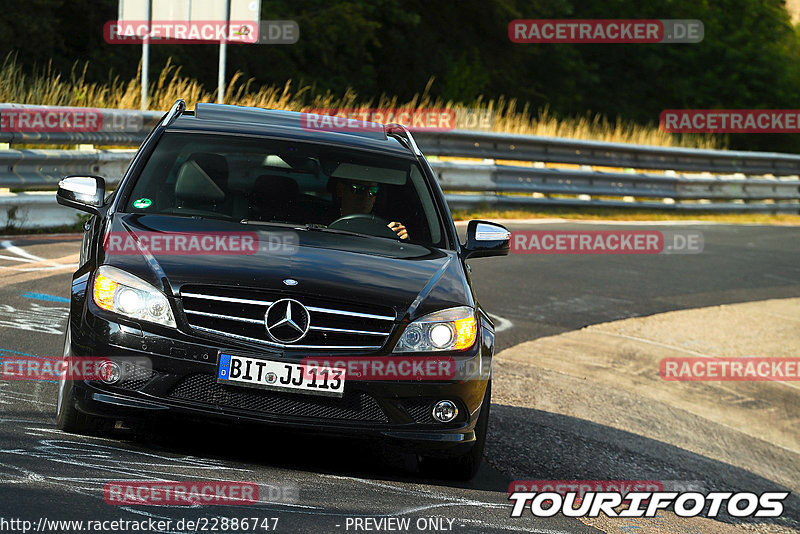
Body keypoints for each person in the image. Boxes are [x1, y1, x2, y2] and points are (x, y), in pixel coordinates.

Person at [328, 178, 409, 240]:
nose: (366, 197)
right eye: (358, 189)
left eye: (373, 191)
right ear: (340, 189)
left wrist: (402, 241)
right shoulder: (320, 222)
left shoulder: (383, 229)